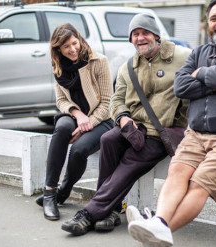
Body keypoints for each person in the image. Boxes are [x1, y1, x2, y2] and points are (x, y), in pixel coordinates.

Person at [127, 0, 216, 246]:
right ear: (208, 24)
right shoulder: (199, 52)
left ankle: (161, 228)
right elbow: (181, 86)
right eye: (213, 18)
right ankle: (158, 223)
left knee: (198, 183)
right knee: (177, 173)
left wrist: (202, 73)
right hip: (197, 135)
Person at [60, 14, 191, 236]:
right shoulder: (128, 67)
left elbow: (207, 71)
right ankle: (109, 211)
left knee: (130, 161)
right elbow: (116, 100)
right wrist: (122, 118)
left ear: (156, 35)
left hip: (161, 132)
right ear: (131, 40)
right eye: (135, 35)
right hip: (133, 129)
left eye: (145, 33)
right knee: (108, 139)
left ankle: (90, 213)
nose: (140, 38)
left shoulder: (182, 56)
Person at [35, 23, 113, 221]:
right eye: (65, 46)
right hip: (75, 115)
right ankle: (50, 193)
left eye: (74, 43)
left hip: (101, 119)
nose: (72, 49)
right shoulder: (58, 65)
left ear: (80, 40)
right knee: (61, 129)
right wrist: (77, 114)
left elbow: (107, 103)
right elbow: (60, 100)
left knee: (79, 149)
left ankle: (64, 190)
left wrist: (88, 123)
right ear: (58, 49)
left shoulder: (98, 61)